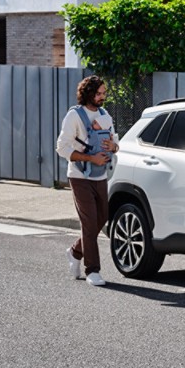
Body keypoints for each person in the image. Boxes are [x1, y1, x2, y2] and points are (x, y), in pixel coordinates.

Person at [56, 75, 119, 286]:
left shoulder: (105, 115)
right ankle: (93, 270)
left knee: (101, 219)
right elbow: (62, 147)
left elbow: (114, 139)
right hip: (79, 176)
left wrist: (114, 147)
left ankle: (75, 252)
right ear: (88, 93)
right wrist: (90, 157)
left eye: (104, 93)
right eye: (99, 93)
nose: (103, 97)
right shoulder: (74, 116)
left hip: (100, 175)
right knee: (89, 222)